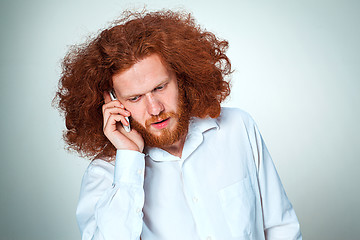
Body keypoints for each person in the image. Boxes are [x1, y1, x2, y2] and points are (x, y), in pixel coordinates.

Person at [54, 9, 302, 240]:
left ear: (182, 77)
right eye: (135, 98)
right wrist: (129, 160)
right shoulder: (105, 174)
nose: (155, 109)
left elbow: (281, 227)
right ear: (112, 102)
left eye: (160, 87)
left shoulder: (238, 127)